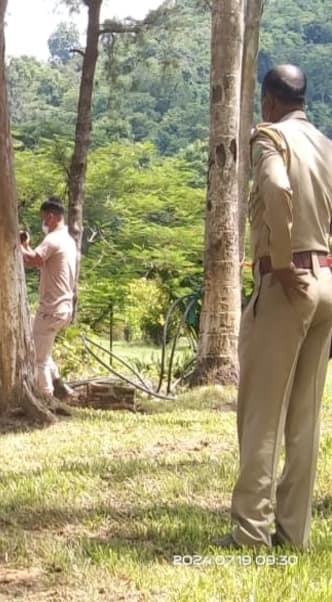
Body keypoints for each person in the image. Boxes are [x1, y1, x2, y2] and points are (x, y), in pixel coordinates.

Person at [221, 64, 332, 550]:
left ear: (268, 101)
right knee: (305, 418)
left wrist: (284, 262)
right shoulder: (327, 146)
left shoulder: (267, 137)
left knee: (262, 413)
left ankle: (250, 535)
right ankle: (294, 533)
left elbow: (276, 187)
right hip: (326, 280)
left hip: (287, 285)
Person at [20, 197, 79, 399]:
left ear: (52, 216)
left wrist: (15, 244)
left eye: (44, 218)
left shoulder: (53, 239)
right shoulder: (68, 240)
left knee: (38, 358)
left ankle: (46, 398)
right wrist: (25, 246)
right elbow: (37, 261)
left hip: (51, 308)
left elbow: (34, 258)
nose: (43, 222)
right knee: (44, 349)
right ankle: (60, 385)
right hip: (64, 307)